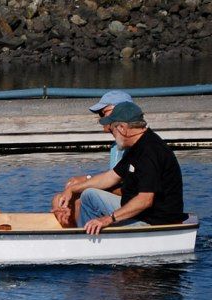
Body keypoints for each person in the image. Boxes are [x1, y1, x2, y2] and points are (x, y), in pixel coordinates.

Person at [56, 101, 186, 234]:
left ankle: (88, 242)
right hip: (143, 212)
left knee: (93, 202)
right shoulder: (137, 145)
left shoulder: (150, 152)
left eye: (112, 128)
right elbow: (110, 177)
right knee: (89, 195)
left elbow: (145, 200)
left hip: (155, 221)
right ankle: (89, 233)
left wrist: (108, 219)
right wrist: (72, 189)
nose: (111, 133)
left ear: (122, 128)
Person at [51, 90, 135, 227]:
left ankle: (84, 238)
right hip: (120, 196)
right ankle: (69, 235)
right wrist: (83, 182)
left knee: (83, 197)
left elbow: (128, 189)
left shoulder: (135, 145)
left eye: (103, 114)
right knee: (58, 200)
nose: (100, 119)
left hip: (132, 204)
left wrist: (84, 184)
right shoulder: (116, 146)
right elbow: (114, 177)